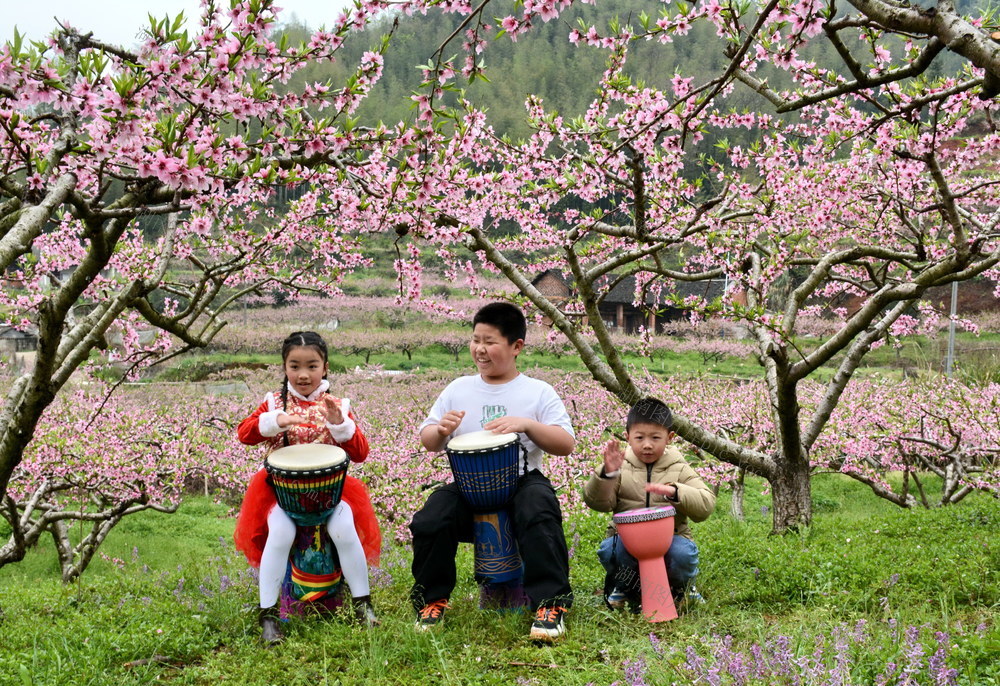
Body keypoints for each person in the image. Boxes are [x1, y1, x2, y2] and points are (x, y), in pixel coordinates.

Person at [409, 302, 576, 642]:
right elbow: (428, 440)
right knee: (431, 519)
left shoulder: (538, 392)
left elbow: (565, 443)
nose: (480, 350)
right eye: (475, 340)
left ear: (517, 346)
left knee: (539, 511)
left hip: (521, 479)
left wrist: (527, 424)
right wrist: (442, 429)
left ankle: (551, 604)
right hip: (467, 484)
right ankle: (432, 600)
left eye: (490, 341)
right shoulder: (458, 388)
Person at [233, 331, 381, 645]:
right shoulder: (273, 402)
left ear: (325, 367)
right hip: (281, 494)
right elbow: (245, 434)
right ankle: (269, 615)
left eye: (312, 366)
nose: (303, 374)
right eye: (295, 366)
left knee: (343, 529)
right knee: (281, 535)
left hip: (329, 494)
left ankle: (362, 603)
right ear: (284, 367)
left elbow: (361, 453)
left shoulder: (338, 404)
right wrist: (274, 421)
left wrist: (341, 424)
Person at [582, 397, 715, 612]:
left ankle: (682, 588)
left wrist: (676, 492)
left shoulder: (679, 467)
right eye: (639, 437)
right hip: (626, 539)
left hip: (672, 538)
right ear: (627, 437)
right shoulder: (619, 465)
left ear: (669, 437)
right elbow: (599, 503)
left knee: (682, 555)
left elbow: (706, 506)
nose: (647, 444)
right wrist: (607, 474)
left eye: (655, 437)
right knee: (610, 551)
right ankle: (627, 587)